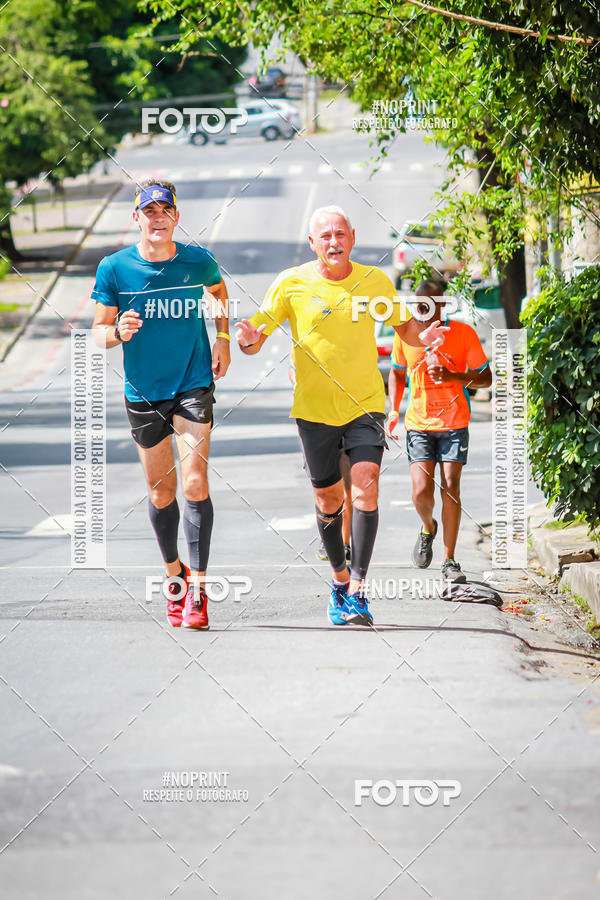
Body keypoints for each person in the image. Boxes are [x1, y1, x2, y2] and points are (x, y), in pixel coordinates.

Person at [236, 205, 411, 627]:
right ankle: (338, 579)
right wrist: (245, 340)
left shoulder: (375, 281)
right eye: (324, 236)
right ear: (312, 243)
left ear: (352, 236)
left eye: (340, 234)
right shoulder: (291, 283)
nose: (333, 242)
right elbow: (257, 335)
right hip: (313, 411)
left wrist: (432, 338)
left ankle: (359, 588)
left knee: (366, 485)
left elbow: (406, 328)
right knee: (329, 500)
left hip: (366, 404)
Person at [91, 178, 230, 629]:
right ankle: (175, 577)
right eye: (148, 211)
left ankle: (200, 592)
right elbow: (98, 333)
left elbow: (219, 291)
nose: (157, 218)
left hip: (193, 382)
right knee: (161, 491)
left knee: (193, 482)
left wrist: (223, 337)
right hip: (144, 391)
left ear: (176, 215)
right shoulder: (114, 269)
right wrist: (118, 333)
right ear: (136, 218)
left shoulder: (197, 261)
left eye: (164, 210)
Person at [386, 279, 492, 582]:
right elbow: (396, 372)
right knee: (421, 490)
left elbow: (485, 378)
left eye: (430, 303)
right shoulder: (407, 334)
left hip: (454, 422)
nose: (422, 309)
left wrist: (453, 375)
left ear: (443, 304)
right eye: (418, 303)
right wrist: (394, 409)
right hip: (418, 424)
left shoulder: (462, 334)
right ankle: (428, 526)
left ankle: (449, 560)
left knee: (451, 486)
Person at [289, 344, 352, 564]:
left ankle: (343, 543)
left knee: (348, 485)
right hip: (315, 420)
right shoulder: (303, 341)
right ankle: (331, 531)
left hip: (348, 416)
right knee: (325, 490)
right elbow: (293, 368)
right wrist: (300, 385)